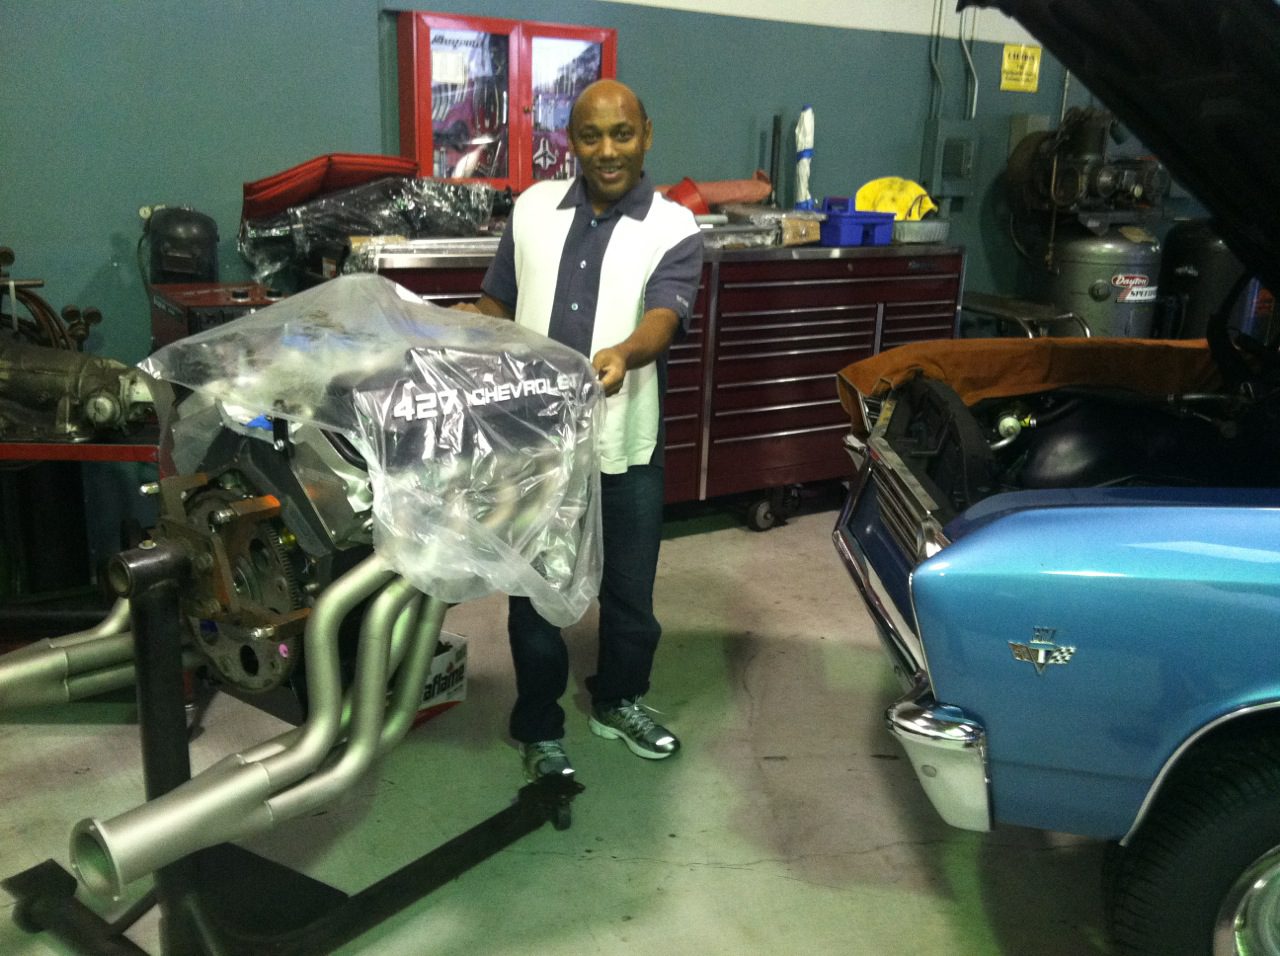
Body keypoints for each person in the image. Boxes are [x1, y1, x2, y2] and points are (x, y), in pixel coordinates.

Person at [463, 79, 704, 782]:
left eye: (621, 134)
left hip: (625, 443)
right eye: (590, 135)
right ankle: (538, 723)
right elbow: (497, 301)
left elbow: (666, 315)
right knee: (534, 591)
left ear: (647, 135)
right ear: (571, 140)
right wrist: (459, 325)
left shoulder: (673, 228)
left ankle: (619, 700)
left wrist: (627, 352)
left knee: (629, 592)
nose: (606, 151)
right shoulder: (533, 210)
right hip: (534, 446)